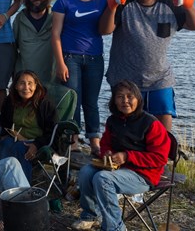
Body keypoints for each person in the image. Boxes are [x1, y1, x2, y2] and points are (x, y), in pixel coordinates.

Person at [99, 0, 195, 131]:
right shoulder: (124, 2)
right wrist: (113, 6)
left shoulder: (169, 4)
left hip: (159, 77)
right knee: (126, 117)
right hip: (125, 76)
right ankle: (127, 151)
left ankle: (165, 152)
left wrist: (188, 4)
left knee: (163, 114)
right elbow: (104, 30)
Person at [72, 80, 170, 231]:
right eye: (120, 96)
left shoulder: (151, 123)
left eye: (130, 96)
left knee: (102, 178)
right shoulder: (113, 121)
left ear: (138, 99)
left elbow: (160, 158)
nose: (125, 101)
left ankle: (115, 227)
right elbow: (105, 144)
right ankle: (90, 216)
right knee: (86, 172)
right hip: (117, 169)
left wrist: (126, 156)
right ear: (114, 100)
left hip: (143, 175)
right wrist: (107, 153)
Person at [51, 0, 107, 154]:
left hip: (94, 58)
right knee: (73, 100)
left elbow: (108, 26)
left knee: (91, 101)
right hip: (70, 57)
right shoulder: (64, 1)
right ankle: (73, 140)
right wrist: (60, 62)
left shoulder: (102, 1)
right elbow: (55, 34)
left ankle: (94, 141)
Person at [0, 70, 57, 180]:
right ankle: (2, 180)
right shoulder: (9, 101)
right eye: (22, 83)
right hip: (15, 137)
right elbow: (4, 122)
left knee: (19, 148)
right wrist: (8, 134)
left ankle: (23, 186)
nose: (26, 87)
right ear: (15, 86)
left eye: (30, 83)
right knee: (4, 144)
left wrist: (36, 144)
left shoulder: (45, 104)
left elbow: (53, 131)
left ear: (36, 85)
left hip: (38, 141)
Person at [13, 0, 55, 83]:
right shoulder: (20, 18)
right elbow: (12, 47)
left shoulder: (55, 16)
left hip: (51, 78)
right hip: (25, 80)